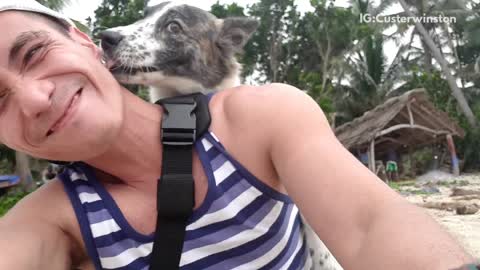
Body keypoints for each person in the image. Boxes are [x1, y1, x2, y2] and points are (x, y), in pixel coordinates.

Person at [0, 1, 476, 269]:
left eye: (34, 53)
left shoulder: (265, 116)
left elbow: (371, 224)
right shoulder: (48, 220)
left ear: (82, 40)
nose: (35, 98)